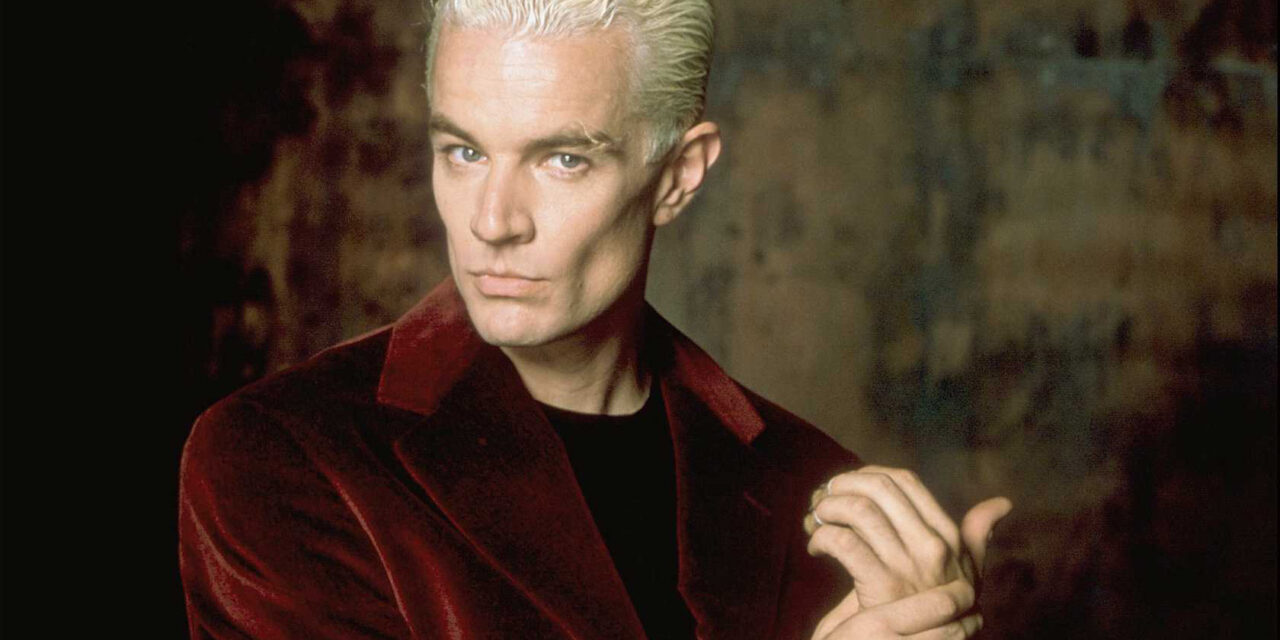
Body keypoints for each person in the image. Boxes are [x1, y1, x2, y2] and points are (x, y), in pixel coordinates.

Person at [178, 0, 1013, 638]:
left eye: (563, 159)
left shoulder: (818, 494)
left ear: (679, 177)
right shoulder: (276, 459)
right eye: (463, 151)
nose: (493, 221)